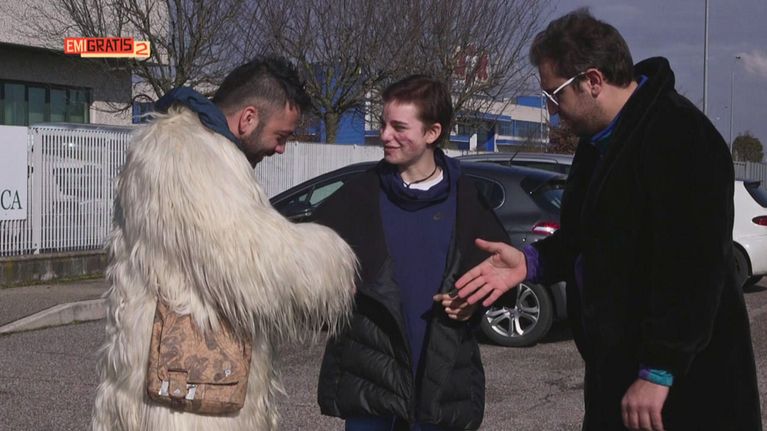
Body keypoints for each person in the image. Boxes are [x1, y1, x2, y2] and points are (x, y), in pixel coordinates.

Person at [452, 9, 762, 431]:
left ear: (593, 80)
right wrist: (529, 262)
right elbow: (587, 237)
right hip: (619, 374)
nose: (551, 111)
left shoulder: (681, 135)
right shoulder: (598, 142)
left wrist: (659, 370)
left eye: (554, 95)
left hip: (684, 388)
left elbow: (692, 268)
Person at [91, 56, 358, 430]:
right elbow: (250, 264)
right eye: (281, 136)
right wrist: (336, 263)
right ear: (248, 119)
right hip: (183, 402)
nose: (281, 149)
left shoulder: (191, 152)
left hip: (179, 385)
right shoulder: (186, 155)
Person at [314, 75, 510, 430]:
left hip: (440, 387)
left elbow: (496, 275)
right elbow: (307, 262)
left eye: (399, 127)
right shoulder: (359, 195)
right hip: (372, 387)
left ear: (432, 133)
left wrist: (473, 304)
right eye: (383, 124)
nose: (385, 135)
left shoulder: (467, 199)